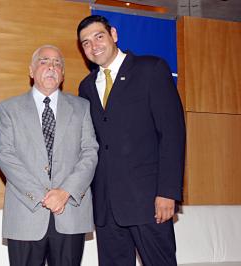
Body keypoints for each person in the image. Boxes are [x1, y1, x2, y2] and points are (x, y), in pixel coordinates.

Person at [77, 15, 186, 266]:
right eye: (85, 43)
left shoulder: (151, 69)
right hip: (106, 205)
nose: (93, 46)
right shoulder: (86, 86)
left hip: (149, 201)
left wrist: (168, 192)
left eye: (99, 36)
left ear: (114, 35)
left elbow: (172, 133)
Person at [0, 44, 99, 266]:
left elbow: (90, 153)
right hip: (26, 212)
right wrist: (43, 196)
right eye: (44, 61)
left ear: (62, 74)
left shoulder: (82, 107)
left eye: (57, 63)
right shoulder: (8, 109)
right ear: (31, 71)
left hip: (70, 212)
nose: (52, 67)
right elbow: (6, 156)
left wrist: (64, 193)